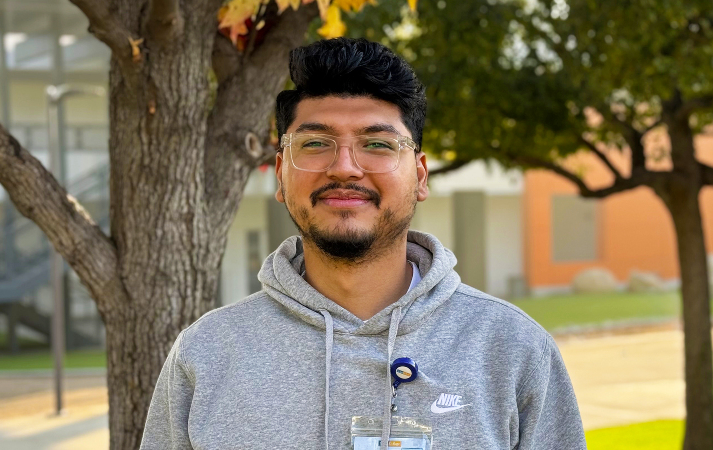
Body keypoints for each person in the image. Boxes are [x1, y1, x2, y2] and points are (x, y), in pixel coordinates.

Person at [140, 38, 586, 450]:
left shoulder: (512, 349)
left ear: (420, 175)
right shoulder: (206, 354)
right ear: (280, 174)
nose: (345, 167)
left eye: (377, 143)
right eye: (315, 143)